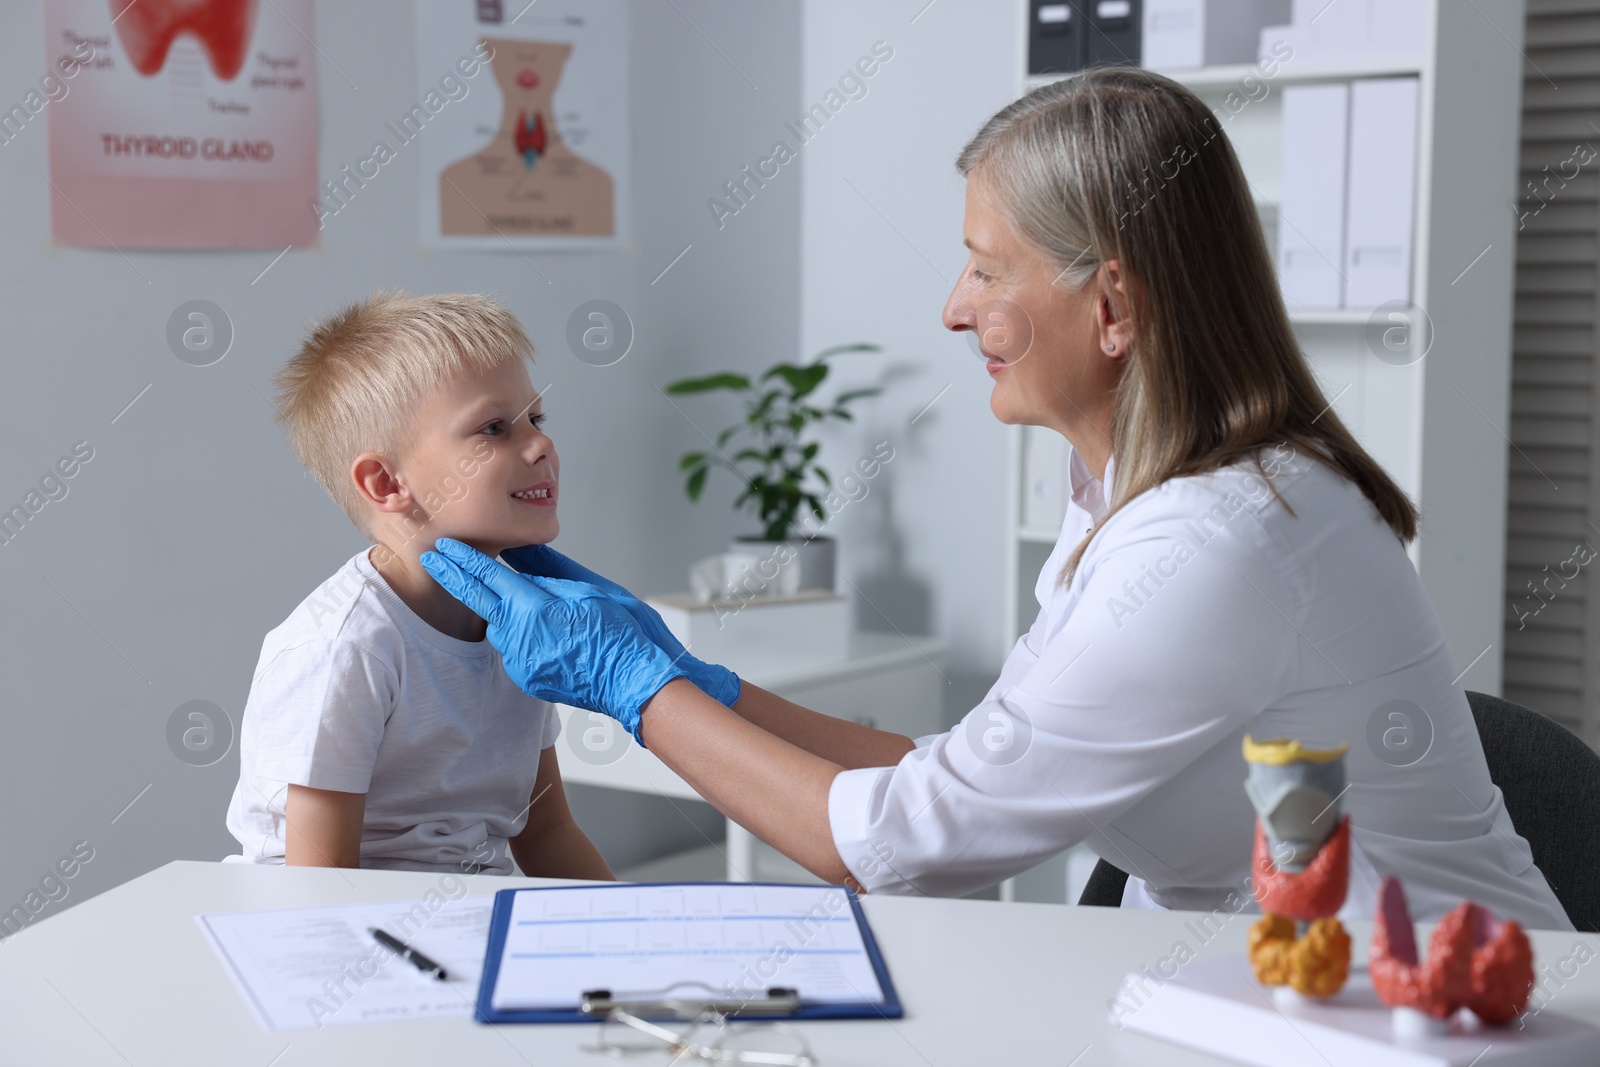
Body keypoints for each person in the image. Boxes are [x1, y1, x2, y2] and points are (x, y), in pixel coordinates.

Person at [422, 68, 1573, 929]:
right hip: (1244, 993)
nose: (952, 308)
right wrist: (707, 681)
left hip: (1421, 1019)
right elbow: (969, 762)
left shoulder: (1217, 542)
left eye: (986, 266)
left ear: (1111, 307)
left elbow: (904, 846)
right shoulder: (1125, 498)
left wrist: (639, 685)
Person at [224, 291, 612, 880]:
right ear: (385, 482)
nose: (540, 445)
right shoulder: (346, 649)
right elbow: (317, 889)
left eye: (537, 419)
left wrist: (627, 931)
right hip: (344, 927)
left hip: (464, 920)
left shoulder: (523, 628)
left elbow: (548, 832)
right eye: (493, 428)